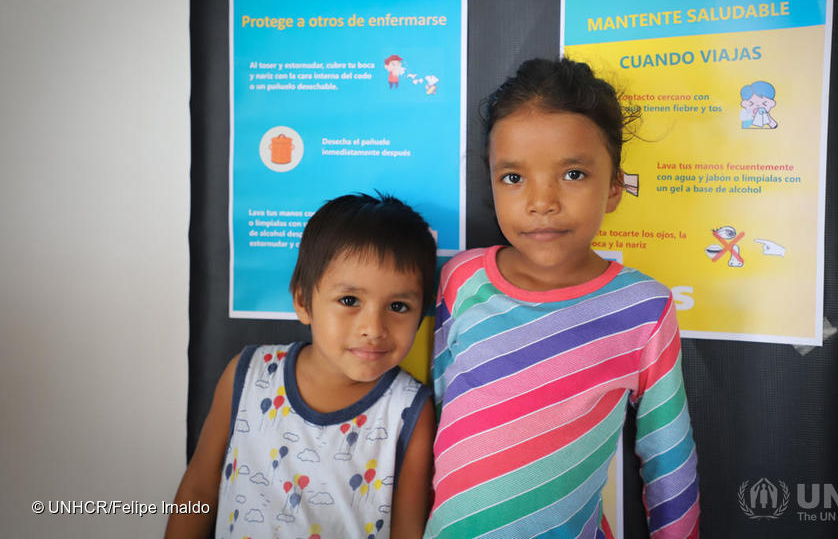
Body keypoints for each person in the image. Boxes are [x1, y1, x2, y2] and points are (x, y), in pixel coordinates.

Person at [425, 58, 700, 538]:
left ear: (614, 187)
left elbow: (669, 457)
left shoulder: (642, 309)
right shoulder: (461, 280)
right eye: (513, 178)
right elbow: (434, 405)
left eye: (573, 174)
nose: (541, 201)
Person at [166, 194, 437, 539]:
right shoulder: (248, 375)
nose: (374, 328)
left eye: (398, 306)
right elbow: (197, 492)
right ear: (303, 301)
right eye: (349, 300)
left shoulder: (409, 409)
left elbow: (408, 530)